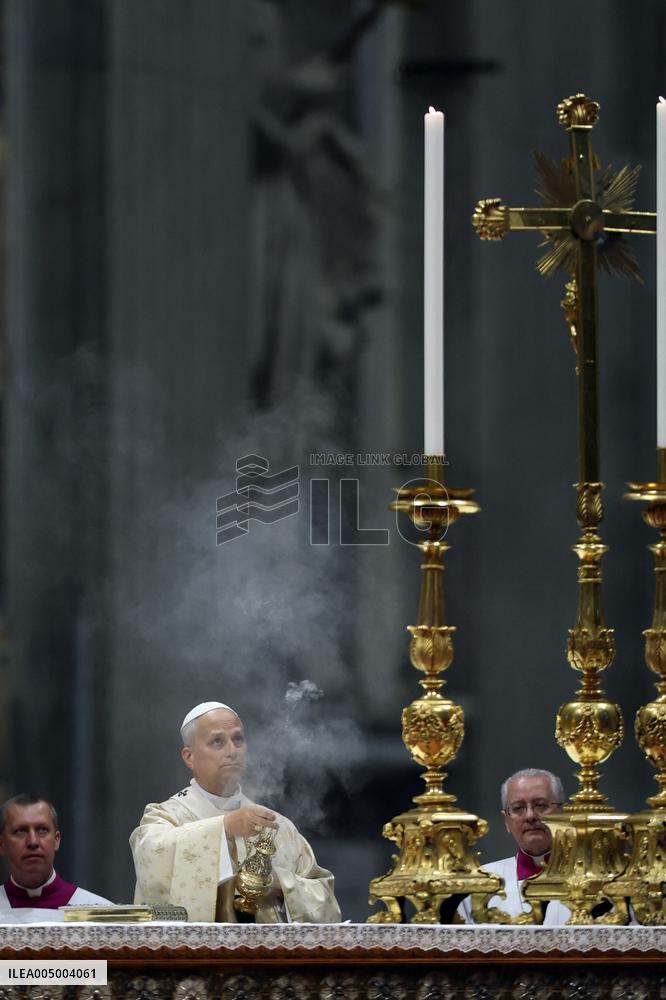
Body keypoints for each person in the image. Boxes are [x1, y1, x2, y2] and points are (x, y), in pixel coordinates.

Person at [130, 701, 341, 923]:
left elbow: (326, 903)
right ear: (189, 756)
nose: (232, 751)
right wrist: (224, 828)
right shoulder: (165, 817)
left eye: (238, 739)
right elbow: (151, 857)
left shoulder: (277, 826)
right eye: (217, 741)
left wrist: (280, 884)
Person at [458, 768, 570, 924]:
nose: (530, 816)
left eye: (540, 805)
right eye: (518, 808)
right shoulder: (480, 884)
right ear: (506, 821)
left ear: (563, 812)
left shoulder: (593, 881)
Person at [0, 794, 111, 910]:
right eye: (21, 831)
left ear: (56, 840)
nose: (33, 841)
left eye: (42, 830)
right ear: (2, 844)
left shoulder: (99, 912)